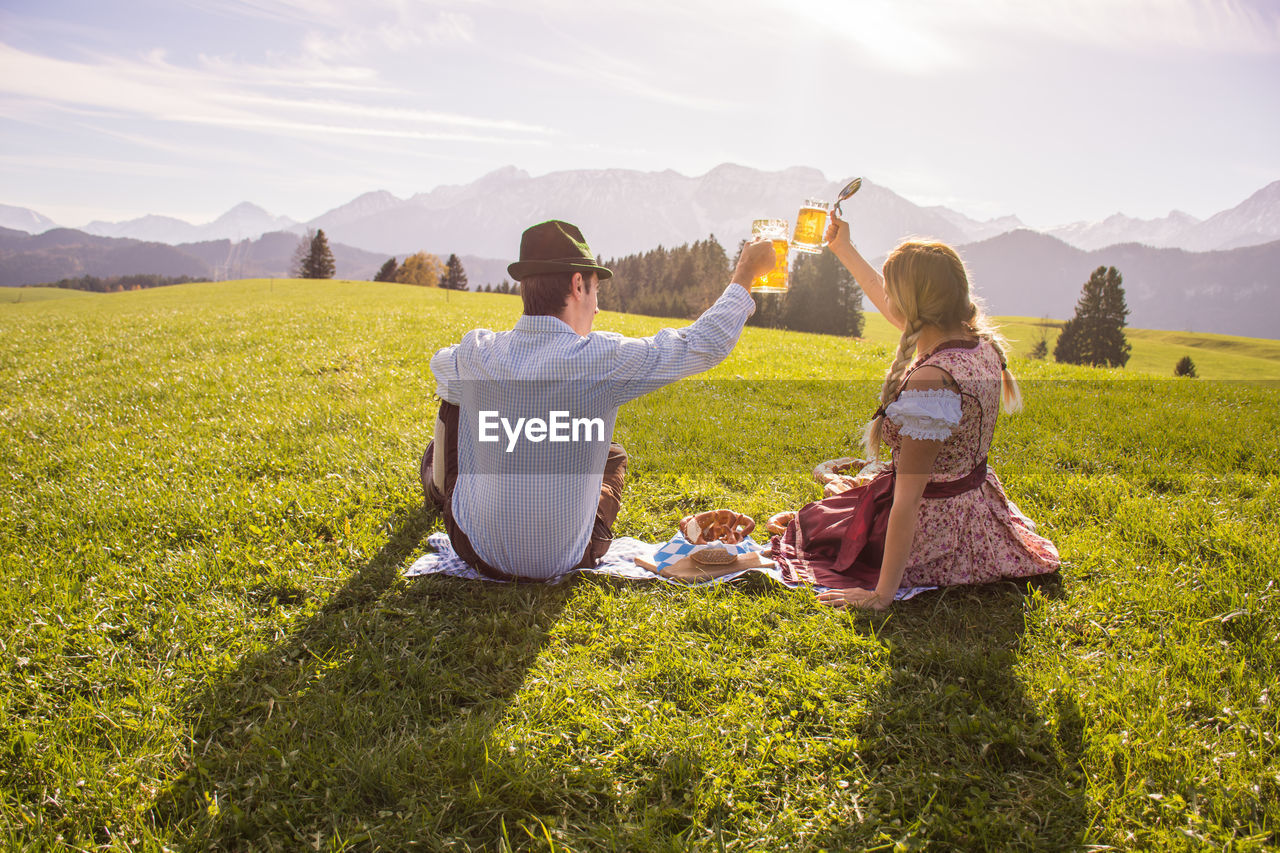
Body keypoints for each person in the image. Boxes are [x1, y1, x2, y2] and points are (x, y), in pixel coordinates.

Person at [422, 219, 776, 581]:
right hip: (563, 560)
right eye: (595, 292)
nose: (597, 308)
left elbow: (439, 365)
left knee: (453, 401)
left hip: (476, 551)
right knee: (614, 455)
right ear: (578, 285)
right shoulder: (601, 359)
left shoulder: (476, 349)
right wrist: (745, 273)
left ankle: (434, 481)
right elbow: (701, 344)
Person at [770, 212, 1060, 608]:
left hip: (936, 530)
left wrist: (881, 594)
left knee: (818, 536)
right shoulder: (980, 345)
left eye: (892, 295)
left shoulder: (932, 382)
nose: (886, 301)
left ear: (912, 307)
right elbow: (891, 303)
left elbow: (908, 499)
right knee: (825, 519)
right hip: (973, 504)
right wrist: (843, 248)